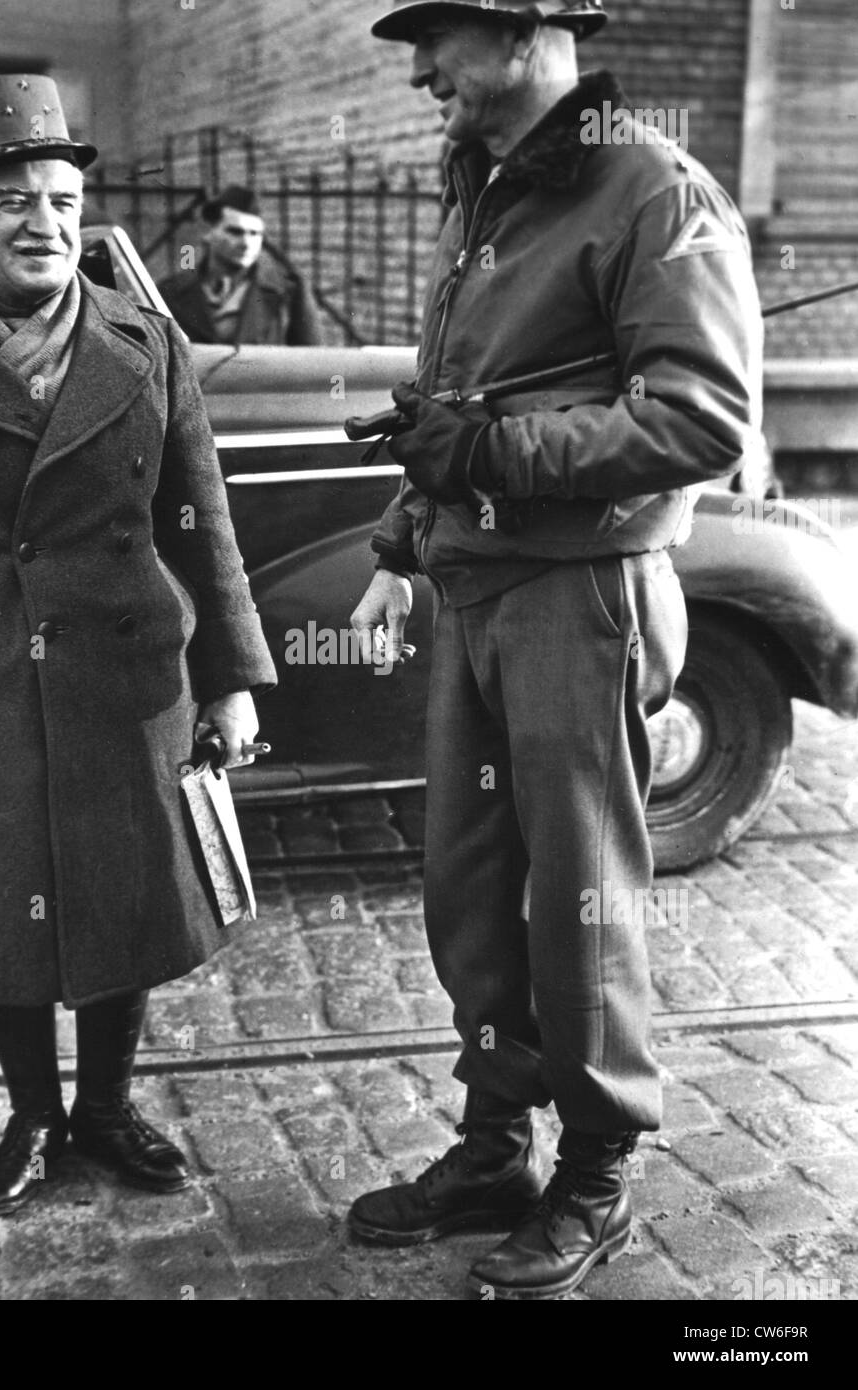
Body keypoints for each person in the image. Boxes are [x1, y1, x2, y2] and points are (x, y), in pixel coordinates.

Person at [348, 0, 763, 1299]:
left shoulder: (654, 188)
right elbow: (462, 394)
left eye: (442, 38)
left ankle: (591, 1171)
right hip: (479, 588)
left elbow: (702, 418)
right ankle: (491, 1144)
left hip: (581, 596)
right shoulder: (486, 190)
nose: (421, 70)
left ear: (532, 32)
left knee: (578, 903)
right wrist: (402, 540)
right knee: (472, 897)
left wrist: (489, 457)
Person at [0, 75, 276, 1218]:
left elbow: (199, 519)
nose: (47, 224)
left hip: (129, 679)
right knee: (2, 903)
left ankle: (108, 1108)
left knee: (126, 895)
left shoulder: (143, 337)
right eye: (12, 198)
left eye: (65, 201)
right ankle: (31, 1111)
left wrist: (230, 678)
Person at [158, 185, 325, 345]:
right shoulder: (171, 291)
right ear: (207, 232)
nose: (246, 243)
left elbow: (310, 360)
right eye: (235, 232)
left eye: (255, 234)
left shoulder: (286, 292)